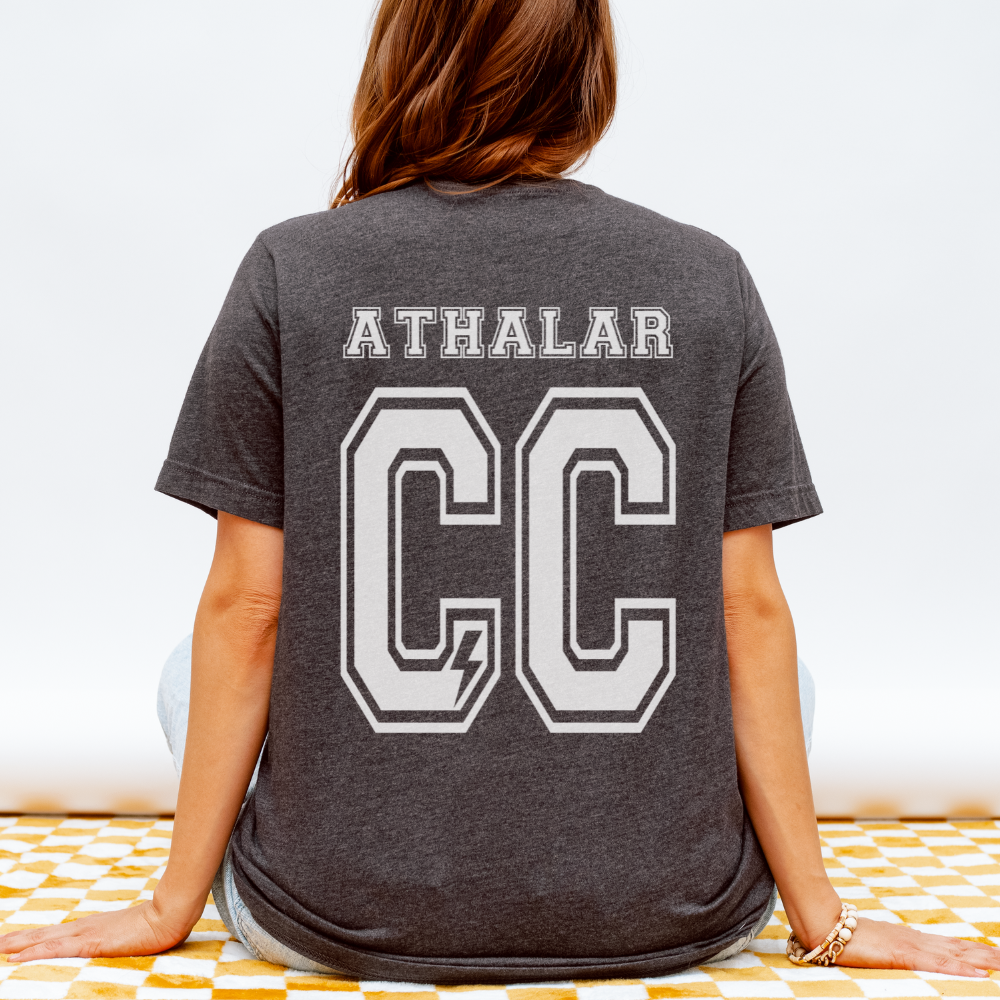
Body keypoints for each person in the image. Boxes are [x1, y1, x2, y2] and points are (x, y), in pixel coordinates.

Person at [3, 0, 998, 981]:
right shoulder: (709, 278)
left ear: (403, 53)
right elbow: (749, 611)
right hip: (671, 917)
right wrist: (823, 918)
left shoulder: (288, 269)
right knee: (779, 668)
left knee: (190, 666)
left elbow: (246, 608)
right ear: (588, 76)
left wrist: (167, 908)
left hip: (333, 917)